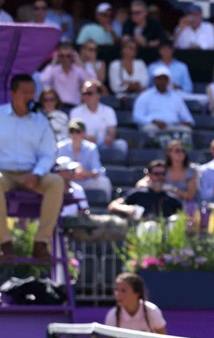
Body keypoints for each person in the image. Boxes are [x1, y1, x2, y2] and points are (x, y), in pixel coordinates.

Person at [0, 75, 64, 262]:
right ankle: (4, 243)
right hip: (4, 174)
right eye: (25, 92)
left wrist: (37, 173)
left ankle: (41, 243)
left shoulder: (41, 121)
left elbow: (48, 153)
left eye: (32, 92)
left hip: (33, 173)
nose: (30, 96)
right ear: (13, 94)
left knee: (56, 182)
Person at [108, 159, 184, 221]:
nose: (160, 176)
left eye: (163, 173)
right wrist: (128, 208)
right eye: (156, 174)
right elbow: (113, 205)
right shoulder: (139, 193)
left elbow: (183, 217)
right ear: (149, 175)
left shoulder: (172, 198)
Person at [133, 66, 194, 143]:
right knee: (149, 129)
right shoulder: (144, 96)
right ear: (154, 80)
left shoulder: (176, 97)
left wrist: (185, 122)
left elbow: (188, 119)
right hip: (154, 127)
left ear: (168, 81)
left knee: (186, 130)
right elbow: (137, 116)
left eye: (165, 79)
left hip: (172, 127)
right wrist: (153, 121)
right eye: (159, 79)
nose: (162, 81)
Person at [57, 119, 111, 200]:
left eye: (78, 131)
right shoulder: (60, 147)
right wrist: (70, 175)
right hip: (65, 182)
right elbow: (55, 169)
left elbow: (98, 170)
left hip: (85, 181)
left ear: (84, 133)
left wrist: (86, 173)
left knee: (104, 182)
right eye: (72, 131)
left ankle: (105, 207)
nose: (74, 134)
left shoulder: (91, 148)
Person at [70, 80, 127, 156]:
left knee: (121, 145)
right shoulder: (75, 112)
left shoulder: (109, 111)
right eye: (83, 94)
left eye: (89, 93)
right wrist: (86, 139)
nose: (85, 96)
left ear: (98, 94)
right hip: (83, 145)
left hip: (103, 145)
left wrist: (109, 138)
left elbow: (111, 132)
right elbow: (74, 133)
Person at [40, 42, 88, 108]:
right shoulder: (54, 70)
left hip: (75, 107)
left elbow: (88, 82)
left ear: (72, 56)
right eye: (62, 56)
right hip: (59, 108)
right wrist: (54, 61)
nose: (65, 59)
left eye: (68, 56)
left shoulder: (78, 70)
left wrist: (78, 61)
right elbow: (43, 79)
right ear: (58, 56)